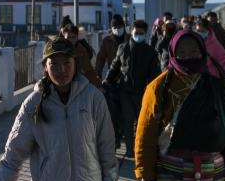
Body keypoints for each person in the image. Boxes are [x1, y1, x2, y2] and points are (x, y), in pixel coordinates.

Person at [0, 38, 118, 181]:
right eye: (54, 64)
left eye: (67, 63)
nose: (61, 70)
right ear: (45, 67)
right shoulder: (34, 103)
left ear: (75, 63)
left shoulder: (93, 98)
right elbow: (15, 147)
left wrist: (109, 179)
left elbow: (106, 143)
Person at [135, 30, 225, 181]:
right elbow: (146, 134)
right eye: (182, 52)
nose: (188, 57)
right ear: (173, 54)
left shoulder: (216, 86)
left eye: (194, 52)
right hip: (170, 173)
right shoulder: (158, 88)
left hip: (212, 172)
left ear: (203, 52)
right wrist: (146, 176)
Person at [103, 20, 161, 157]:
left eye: (141, 33)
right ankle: (130, 150)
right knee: (127, 120)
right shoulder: (123, 48)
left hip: (143, 92)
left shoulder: (150, 52)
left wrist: (154, 89)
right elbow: (115, 66)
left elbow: (155, 73)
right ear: (131, 31)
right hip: (125, 91)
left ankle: (141, 148)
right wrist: (107, 80)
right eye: (136, 32)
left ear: (145, 34)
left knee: (142, 121)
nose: (138, 35)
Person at [97, 14, 129, 147]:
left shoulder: (129, 39)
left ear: (124, 27)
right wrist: (98, 76)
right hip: (112, 79)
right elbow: (100, 59)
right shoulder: (107, 41)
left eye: (119, 26)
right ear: (111, 28)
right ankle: (116, 138)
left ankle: (125, 135)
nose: (117, 29)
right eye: (115, 27)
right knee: (113, 111)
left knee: (126, 111)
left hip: (128, 80)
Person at [61, 23, 102, 88]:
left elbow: (88, 69)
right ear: (64, 37)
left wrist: (98, 84)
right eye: (68, 37)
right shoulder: (59, 49)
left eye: (73, 37)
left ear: (77, 37)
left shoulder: (81, 50)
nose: (71, 40)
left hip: (77, 84)